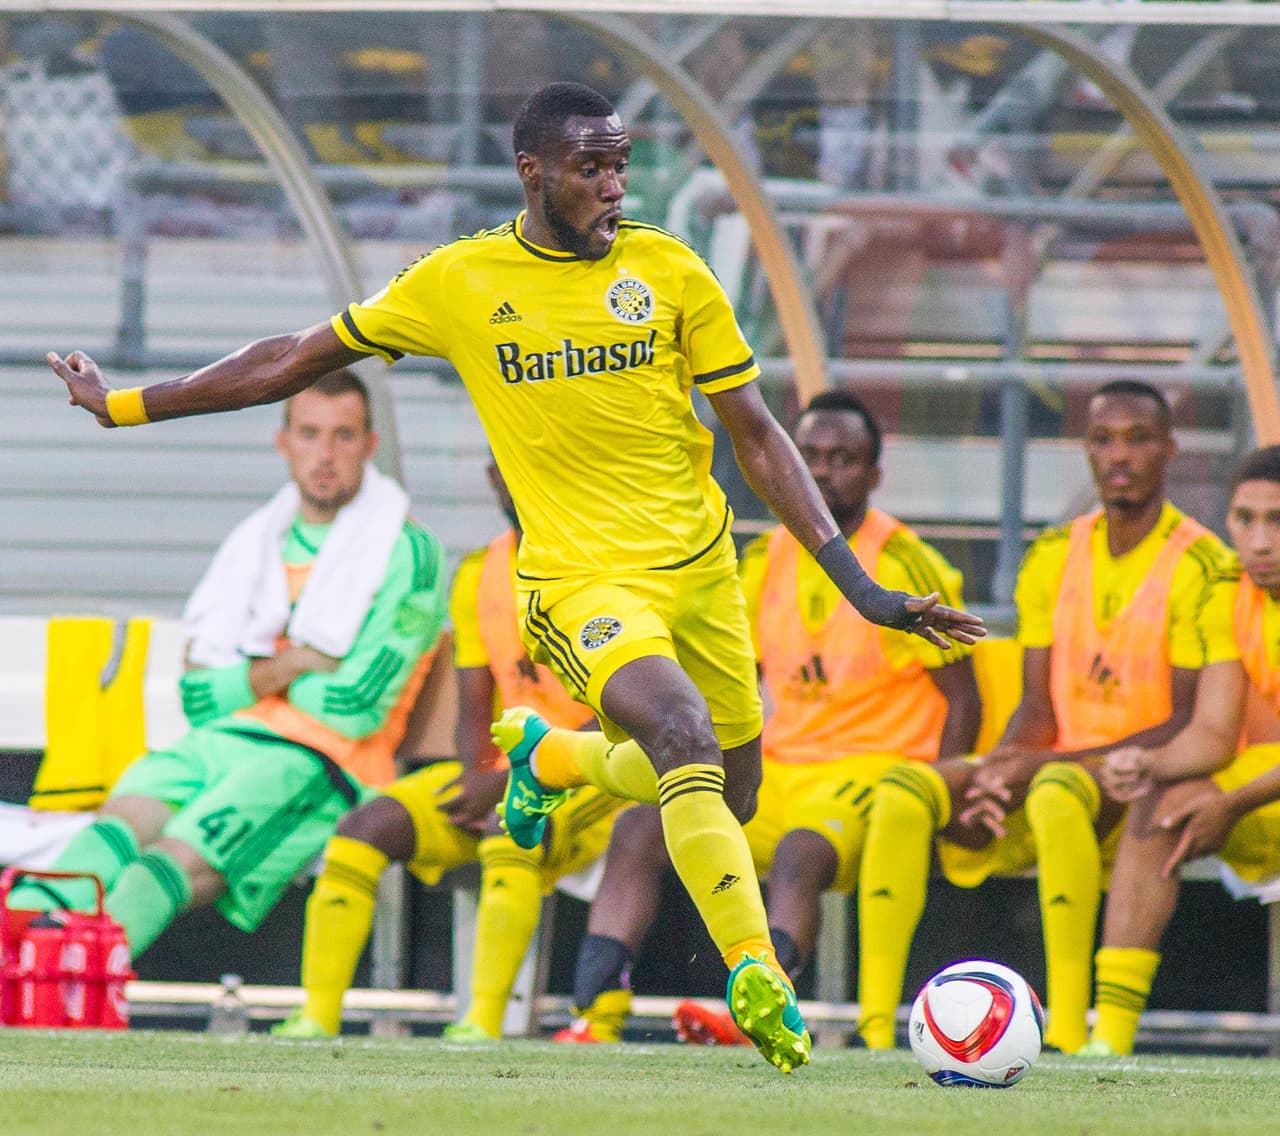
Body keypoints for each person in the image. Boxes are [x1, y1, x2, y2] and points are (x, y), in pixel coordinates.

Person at [46, 81, 983, 1072]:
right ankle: (756, 974)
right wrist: (130, 404)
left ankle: (558, 761)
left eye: (620, 164)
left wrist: (856, 583)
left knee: (728, 789)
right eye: (590, 168)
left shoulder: (669, 270)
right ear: (532, 173)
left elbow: (755, 434)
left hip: (700, 572)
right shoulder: (458, 281)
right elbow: (292, 356)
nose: (613, 186)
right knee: (679, 732)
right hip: (578, 582)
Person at [553, 389, 981, 1045]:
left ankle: (759, 1004)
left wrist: (940, 794)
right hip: (780, 768)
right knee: (645, 823)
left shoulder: (902, 558)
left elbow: (964, 697)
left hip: (868, 775)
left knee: (799, 853)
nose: (825, 469)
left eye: (844, 457)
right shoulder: (759, 561)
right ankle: (597, 1017)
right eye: (810, 455)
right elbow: (727, 684)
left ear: (873, 472)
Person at [9, 371, 447, 959]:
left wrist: (251, 677)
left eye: (343, 437)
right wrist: (294, 664)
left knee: (159, 867)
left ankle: (66, 990)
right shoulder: (255, 543)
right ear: (283, 442)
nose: (325, 455)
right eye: (310, 434)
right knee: (108, 834)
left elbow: (355, 709)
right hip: (218, 740)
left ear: (369, 447)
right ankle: (18, 969)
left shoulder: (406, 550)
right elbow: (196, 696)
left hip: (322, 760)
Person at [856, 380, 1228, 1053]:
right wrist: (999, 770)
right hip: (1053, 764)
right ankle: (872, 1031)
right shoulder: (1053, 554)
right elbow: (1036, 706)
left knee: (1055, 792)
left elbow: (1184, 721)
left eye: (1139, 439)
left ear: (1169, 450)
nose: (1120, 456)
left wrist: (1039, 767)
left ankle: (1066, 1032)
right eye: (1104, 439)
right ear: (1085, 449)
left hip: (1134, 774)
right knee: (903, 792)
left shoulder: (1203, 563)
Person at [274, 460, 624, 1040]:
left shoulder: (609, 565)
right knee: (365, 825)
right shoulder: (478, 574)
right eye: (513, 464)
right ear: (493, 476)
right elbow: (473, 704)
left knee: (511, 828)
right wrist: (479, 776)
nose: (525, 476)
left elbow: (619, 712)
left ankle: (483, 1025)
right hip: (508, 771)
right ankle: (316, 1018)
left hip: (593, 775)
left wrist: (515, 781)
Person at [1083, 446, 1280, 1056]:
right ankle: (1107, 1039)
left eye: (1277, 520)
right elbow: (1215, 734)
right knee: (1165, 804)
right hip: (1265, 781)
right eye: (1245, 519)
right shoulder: (1225, 590)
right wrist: (1147, 765)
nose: (1260, 541)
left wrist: (1235, 803)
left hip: (1262, 788)